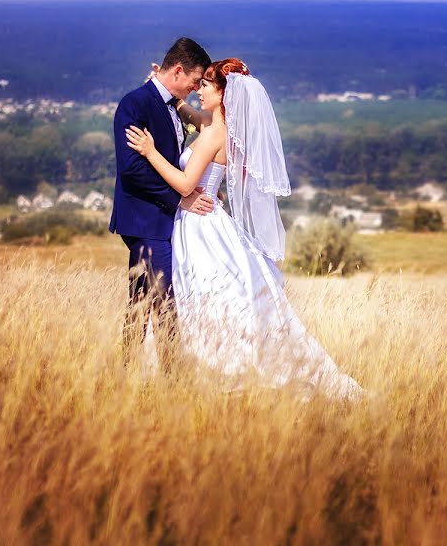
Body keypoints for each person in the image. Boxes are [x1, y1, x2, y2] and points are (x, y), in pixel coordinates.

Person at [125, 58, 362, 399]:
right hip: (207, 220)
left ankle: (206, 376)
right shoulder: (217, 126)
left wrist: (149, 152)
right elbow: (192, 115)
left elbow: (183, 182)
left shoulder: (213, 136)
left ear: (223, 93)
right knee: (207, 298)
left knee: (201, 298)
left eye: (205, 85)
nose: (198, 90)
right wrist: (168, 91)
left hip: (198, 223)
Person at [110, 37, 214, 373]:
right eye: (196, 81)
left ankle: (125, 372)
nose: (196, 89)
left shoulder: (172, 105)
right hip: (144, 219)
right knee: (166, 302)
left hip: (162, 220)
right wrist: (181, 197)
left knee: (140, 300)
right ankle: (174, 379)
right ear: (179, 71)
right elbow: (132, 169)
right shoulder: (135, 104)